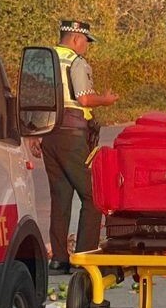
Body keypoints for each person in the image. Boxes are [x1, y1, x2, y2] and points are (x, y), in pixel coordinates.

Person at [44, 19, 117, 273]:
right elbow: (84, 98)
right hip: (71, 135)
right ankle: (85, 258)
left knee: (60, 197)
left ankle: (59, 259)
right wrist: (105, 100)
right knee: (93, 195)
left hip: (48, 134)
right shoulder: (76, 62)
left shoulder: (45, 59)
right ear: (76, 38)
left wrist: (33, 134)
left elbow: (35, 97)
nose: (86, 46)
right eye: (86, 41)